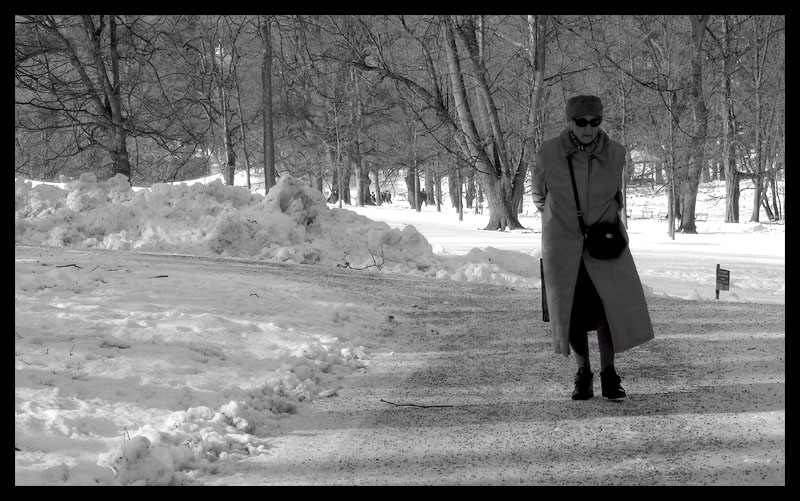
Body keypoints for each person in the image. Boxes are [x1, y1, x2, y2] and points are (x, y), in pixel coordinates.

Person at [532, 95, 654, 401]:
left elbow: (618, 195)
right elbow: (538, 195)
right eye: (582, 122)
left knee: (607, 309)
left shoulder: (616, 153)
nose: (589, 128)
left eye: (595, 122)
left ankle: (609, 375)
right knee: (571, 311)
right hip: (562, 243)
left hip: (604, 244)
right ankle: (582, 374)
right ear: (570, 122)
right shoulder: (549, 152)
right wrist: (560, 220)